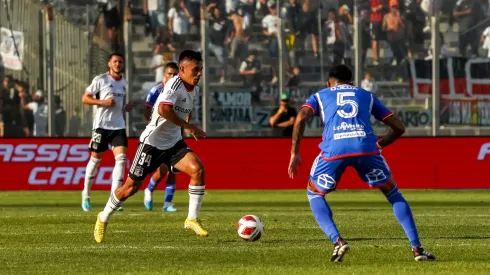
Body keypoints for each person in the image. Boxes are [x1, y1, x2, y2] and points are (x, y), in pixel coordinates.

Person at [287, 65, 436, 262]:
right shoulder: (366, 95)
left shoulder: (320, 95)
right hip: (365, 148)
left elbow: (299, 118)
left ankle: (338, 241)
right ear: (351, 82)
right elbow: (399, 127)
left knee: (314, 193)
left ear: (329, 81)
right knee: (393, 193)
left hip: (334, 151)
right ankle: (417, 249)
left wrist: (294, 152)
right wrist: (379, 144)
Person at [94, 50, 208, 244]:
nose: (199, 74)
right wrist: (189, 126)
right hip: (151, 143)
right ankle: (103, 217)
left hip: (173, 144)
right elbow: (164, 109)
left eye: (201, 70)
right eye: (195, 70)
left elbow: (183, 113)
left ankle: (191, 218)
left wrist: (186, 124)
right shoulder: (175, 84)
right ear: (182, 69)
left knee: (198, 170)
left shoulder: (194, 90)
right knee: (130, 188)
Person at [81, 53, 133, 212]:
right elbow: (85, 98)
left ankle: (115, 198)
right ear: (109, 64)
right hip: (101, 126)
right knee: (96, 160)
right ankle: (86, 194)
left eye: (120, 61)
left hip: (118, 126)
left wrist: (126, 108)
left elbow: (121, 104)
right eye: (115, 61)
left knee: (121, 159)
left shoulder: (125, 83)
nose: (118, 64)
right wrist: (103, 102)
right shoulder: (101, 79)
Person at [143, 62, 180, 212]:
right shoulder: (155, 90)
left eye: (174, 74)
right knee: (163, 169)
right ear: (164, 75)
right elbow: (147, 111)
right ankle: (149, 190)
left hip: (174, 134)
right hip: (157, 136)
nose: (172, 76)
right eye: (169, 73)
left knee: (173, 168)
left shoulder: (179, 91)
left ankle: (167, 203)